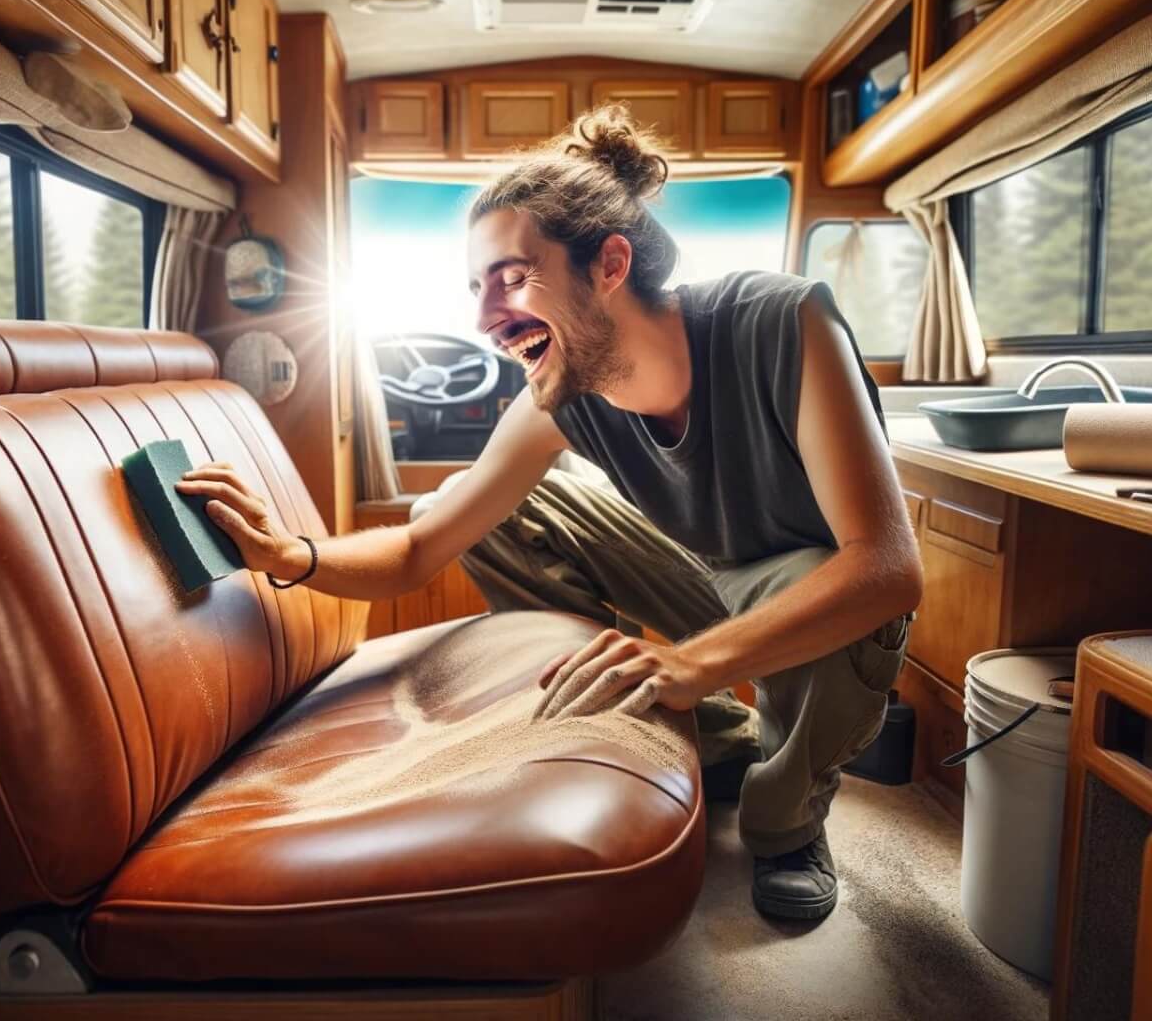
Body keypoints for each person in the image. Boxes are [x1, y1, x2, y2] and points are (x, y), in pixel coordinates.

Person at [176, 104, 924, 921]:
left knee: (831, 589)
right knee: (469, 506)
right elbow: (422, 546)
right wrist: (295, 557)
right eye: (476, 287)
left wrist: (689, 662)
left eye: (511, 276)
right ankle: (715, 738)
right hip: (708, 577)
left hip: (820, 594)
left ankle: (786, 820)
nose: (485, 318)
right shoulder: (558, 393)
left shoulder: (783, 321)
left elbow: (886, 569)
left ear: (608, 263)